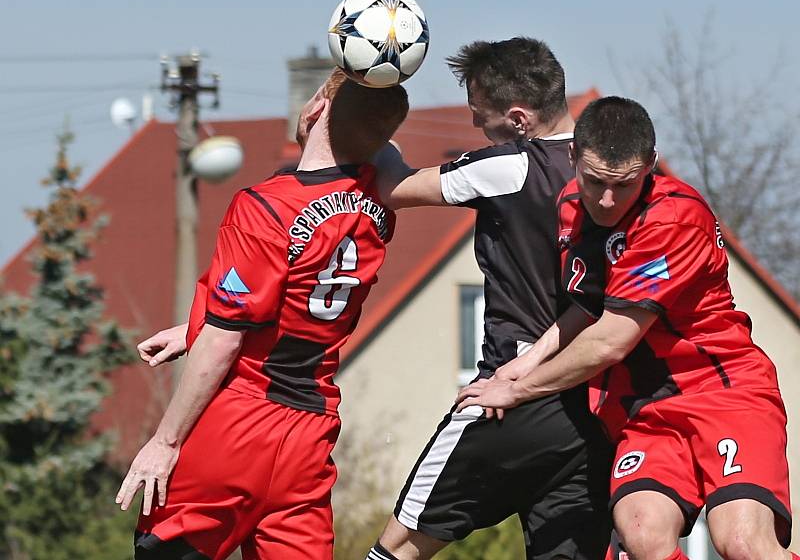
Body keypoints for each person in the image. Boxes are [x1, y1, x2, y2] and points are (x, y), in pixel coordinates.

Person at [457, 96, 795, 560]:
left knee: (740, 542)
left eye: (625, 184)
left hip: (723, 394)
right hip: (646, 409)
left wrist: (520, 391)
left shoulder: (674, 217)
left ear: (650, 166)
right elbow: (586, 308)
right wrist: (519, 366)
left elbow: (610, 340)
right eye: (595, 181)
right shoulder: (571, 207)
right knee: (641, 534)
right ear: (573, 155)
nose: (607, 200)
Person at [115, 68, 409, 560]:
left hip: (242, 416)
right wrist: (194, 328)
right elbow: (287, 301)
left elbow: (227, 340)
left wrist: (165, 442)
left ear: (316, 108)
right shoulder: (378, 202)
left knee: (163, 551)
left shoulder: (264, 207)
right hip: (309, 434)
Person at [365, 37, 612, 560]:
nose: (476, 128)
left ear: (519, 120)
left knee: (397, 548)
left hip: (511, 396)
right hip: (592, 410)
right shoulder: (611, 177)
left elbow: (394, 187)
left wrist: (372, 123)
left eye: (480, 116)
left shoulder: (509, 167)